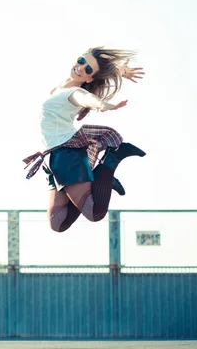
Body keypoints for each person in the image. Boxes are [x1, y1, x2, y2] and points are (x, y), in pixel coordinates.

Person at [23, 48, 146, 233]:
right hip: (51, 156)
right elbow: (94, 78)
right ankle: (100, 180)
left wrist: (104, 105)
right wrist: (119, 71)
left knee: (95, 213)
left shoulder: (74, 92)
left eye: (88, 70)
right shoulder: (59, 88)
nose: (81, 68)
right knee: (58, 223)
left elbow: (87, 98)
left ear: (89, 79)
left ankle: (112, 159)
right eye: (81, 61)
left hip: (65, 154)